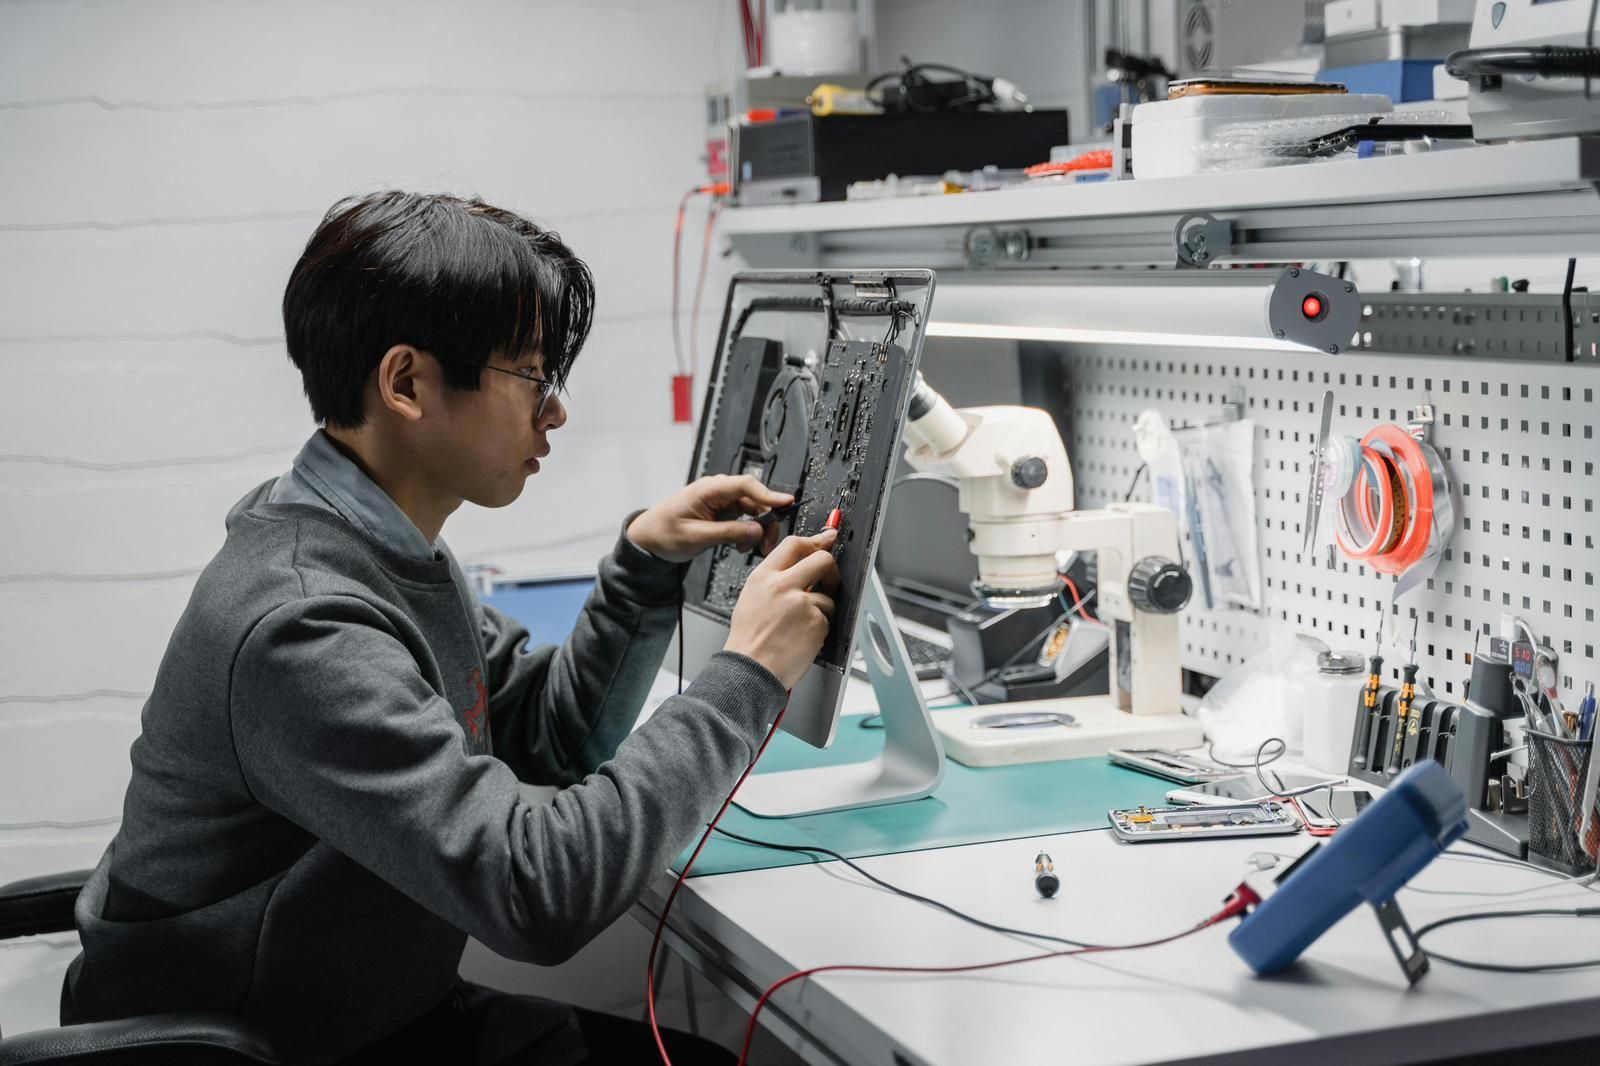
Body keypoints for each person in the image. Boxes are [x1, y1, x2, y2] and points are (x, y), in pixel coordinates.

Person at [60, 191, 839, 1065]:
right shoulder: (302, 622)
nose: (555, 412)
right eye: (534, 378)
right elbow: (538, 891)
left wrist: (643, 570)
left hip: (365, 1012)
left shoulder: (377, 546)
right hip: (267, 1049)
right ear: (405, 384)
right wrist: (747, 676)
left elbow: (549, 741)